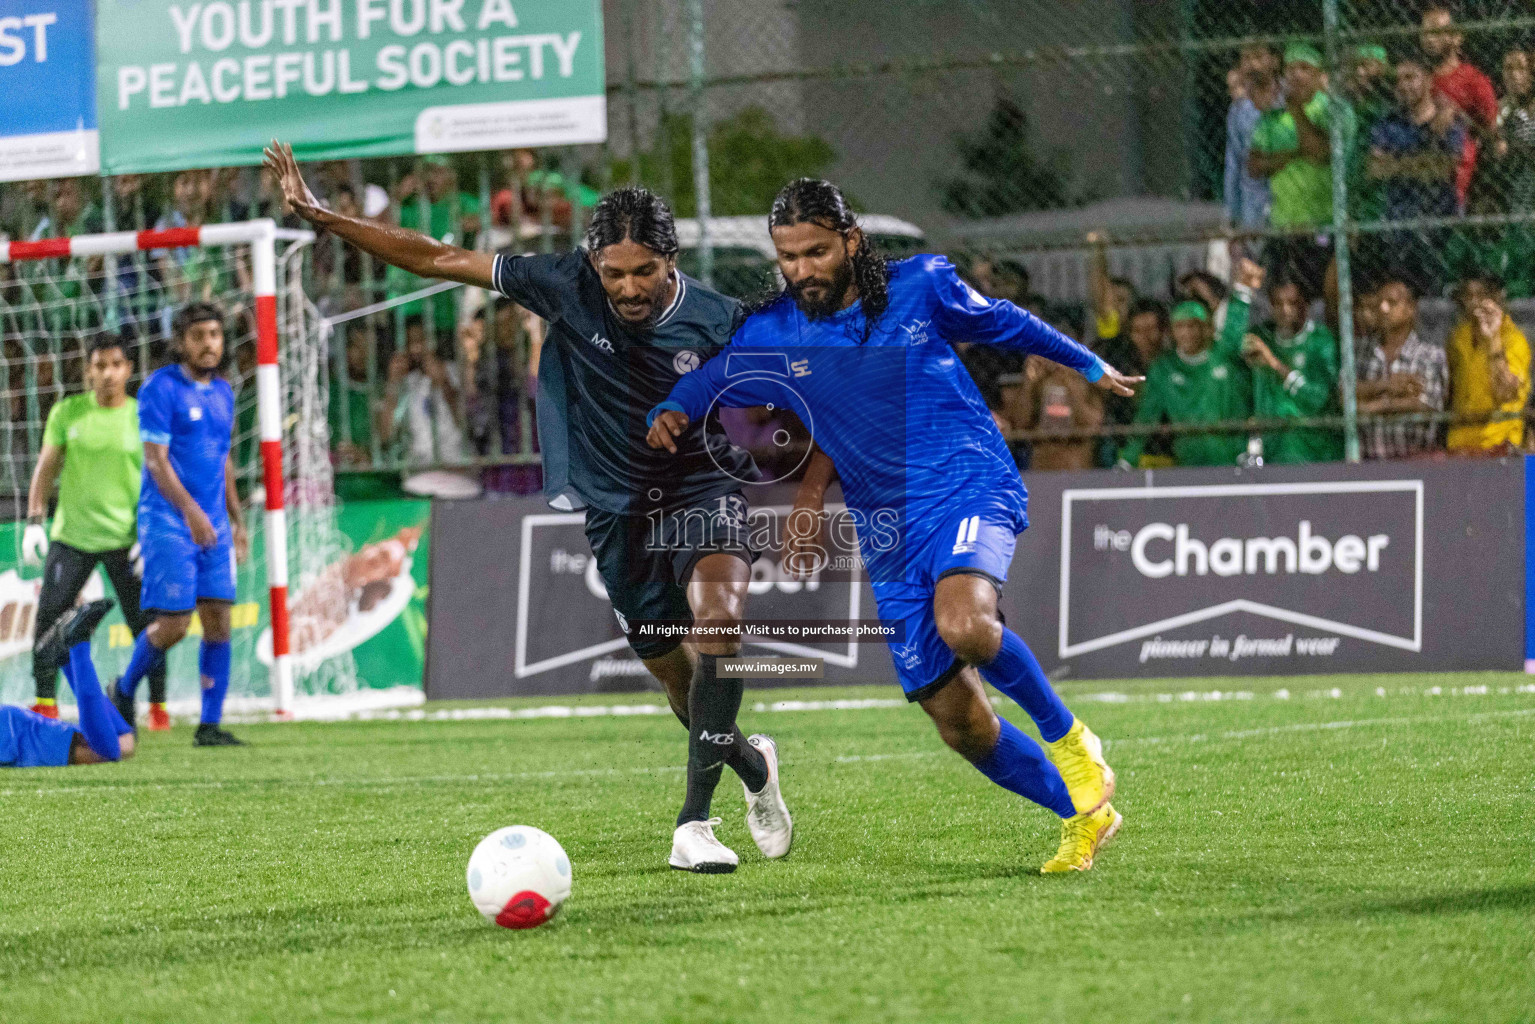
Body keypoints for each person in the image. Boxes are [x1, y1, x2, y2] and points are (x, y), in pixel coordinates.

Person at [264, 140, 791, 875]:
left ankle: (694, 824)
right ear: (592, 263)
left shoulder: (718, 318)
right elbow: (437, 258)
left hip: (701, 487)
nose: (629, 287)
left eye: (645, 271)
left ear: (671, 261)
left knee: (719, 626)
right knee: (680, 682)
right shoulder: (563, 283)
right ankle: (749, 761)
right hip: (614, 507)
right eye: (614, 274)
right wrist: (326, 217)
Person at [647, 179, 1138, 874]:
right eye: (787, 256)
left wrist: (1086, 361)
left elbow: (1005, 322)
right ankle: (1082, 815)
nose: (801, 270)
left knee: (964, 623)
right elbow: (713, 381)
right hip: (885, 526)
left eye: (815, 252)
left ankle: (1071, 740)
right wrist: (670, 406)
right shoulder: (775, 332)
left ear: (850, 241)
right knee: (958, 722)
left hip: (966, 480)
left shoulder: (922, 285)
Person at [109, 303, 250, 747]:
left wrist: (237, 518)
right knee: (173, 624)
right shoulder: (159, 389)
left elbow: (223, 459)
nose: (209, 343)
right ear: (180, 342)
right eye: (199, 336)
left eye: (215, 334)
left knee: (219, 621)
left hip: (212, 524)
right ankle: (123, 689)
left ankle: (209, 726)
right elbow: (155, 461)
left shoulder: (225, 392)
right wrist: (192, 513)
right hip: (169, 520)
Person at [24, 333, 169, 729]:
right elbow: (46, 468)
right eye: (100, 365)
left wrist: (150, 533)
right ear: (88, 370)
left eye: (116, 365)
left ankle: (158, 708)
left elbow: (159, 479)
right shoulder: (67, 413)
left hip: (128, 541)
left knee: (149, 623)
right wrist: (35, 520)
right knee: (49, 619)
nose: (108, 373)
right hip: (72, 537)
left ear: (128, 369)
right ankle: (45, 703)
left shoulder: (143, 416)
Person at [1249, 43, 1354, 299]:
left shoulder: (1335, 110)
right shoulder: (1274, 115)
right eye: (1291, 69)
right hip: (1283, 227)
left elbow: (1320, 152)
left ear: (1321, 76)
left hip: (1323, 225)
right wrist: (1294, 154)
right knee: (1284, 301)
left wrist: (1296, 111)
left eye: (1305, 68)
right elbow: (1254, 165)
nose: (1296, 75)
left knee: (1327, 300)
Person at [1223, 265, 1345, 464]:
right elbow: (1228, 349)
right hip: (1273, 451)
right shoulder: (1264, 336)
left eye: (1292, 303)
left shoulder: (1321, 341)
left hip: (1316, 452)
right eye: (1278, 303)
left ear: (1305, 304)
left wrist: (1274, 364)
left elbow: (1320, 400)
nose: (1285, 310)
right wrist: (1243, 292)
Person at [1366, 57, 1467, 297]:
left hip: (1441, 225)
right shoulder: (1388, 122)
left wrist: (1396, 163)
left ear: (1429, 80)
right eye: (1398, 80)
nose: (1403, 85)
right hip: (1398, 226)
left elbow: (1444, 168)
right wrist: (1423, 162)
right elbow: (1375, 169)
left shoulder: (1449, 121)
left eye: (1410, 77)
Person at [1118, 296, 1252, 469]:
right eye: (1180, 326)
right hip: (1189, 462)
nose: (1187, 333)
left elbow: (1235, 331)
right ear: (1172, 331)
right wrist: (1127, 460)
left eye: (1193, 325)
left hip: (1232, 461)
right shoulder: (1163, 370)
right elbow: (1146, 417)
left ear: (1207, 328)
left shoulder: (1225, 358)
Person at [2, 600, 136, 768]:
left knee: (109, 750)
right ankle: (65, 654)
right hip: (10, 727)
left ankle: (76, 644)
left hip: (10, 736)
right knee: (124, 744)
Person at [1355, 277, 1448, 460]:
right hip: (1368, 462)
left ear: (1410, 309)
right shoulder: (1361, 351)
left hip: (1415, 461)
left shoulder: (1429, 355)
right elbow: (1346, 395)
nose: (1383, 309)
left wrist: (1371, 406)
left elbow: (1426, 405)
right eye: (1379, 303)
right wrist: (1389, 386)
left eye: (1391, 303)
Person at [1421, 6, 1498, 211]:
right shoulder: (1416, 80)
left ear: (1456, 37)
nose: (1429, 39)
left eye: (1436, 32)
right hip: (1420, 175)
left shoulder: (1474, 80)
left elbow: (1493, 136)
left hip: (1458, 182)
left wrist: (1459, 116)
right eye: (1424, 33)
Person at [1445, 274, 1529, 454]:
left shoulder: (1514, 340)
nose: (1474, 302)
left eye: (1481, 295)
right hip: (1460, 442)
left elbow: (1506, 393)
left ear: (1495, 298)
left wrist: (1493, 340)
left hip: (1498, 441)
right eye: (1468, 296)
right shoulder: (1459, 337)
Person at [1226, 44, 1281, 229]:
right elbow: (1234, 161)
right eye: (1246, 59)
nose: (1252, 65)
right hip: (1252, 207)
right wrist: (1232, 215)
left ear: (1274, 61)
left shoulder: (1290, 100)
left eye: (1258, 57)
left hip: (1289, 202)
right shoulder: (1238, 109)